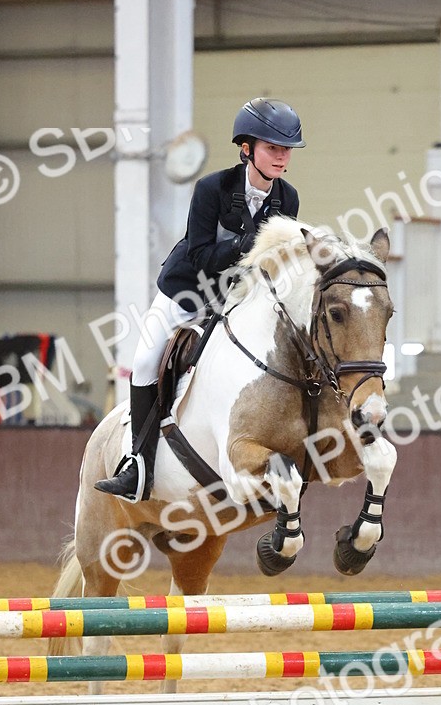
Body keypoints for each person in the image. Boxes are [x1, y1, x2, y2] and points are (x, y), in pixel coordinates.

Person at [95, 97, 304, 501]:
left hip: (237, 300)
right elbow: (200, 255)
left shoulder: (287, 198)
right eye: (273, 148)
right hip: (188, 290)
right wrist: (249, 244)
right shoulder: (212, 189)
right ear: (247, 149)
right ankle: (137, 463)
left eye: (286, 150)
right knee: (143, 360)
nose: (282, 157)